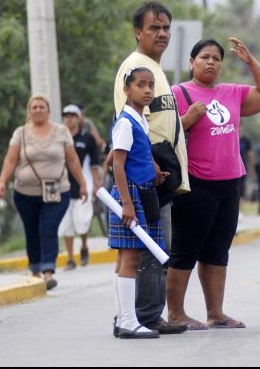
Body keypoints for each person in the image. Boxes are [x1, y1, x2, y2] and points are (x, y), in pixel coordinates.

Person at [167, 37, 260, 330]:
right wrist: (188, 118)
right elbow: (162, 132)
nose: (211, 62)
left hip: (229, 183)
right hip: (195, 184)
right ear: (192, 62)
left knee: (217, 250)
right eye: (204, 57)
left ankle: (216, 313)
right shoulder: (178, 92)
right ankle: (176, 313)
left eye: (216, 58)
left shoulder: (233, 93)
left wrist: (250, 61)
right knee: (185, 249)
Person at [111, 2, 189, 335]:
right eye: (154, 28)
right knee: (146, 251)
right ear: (138, 32)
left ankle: (147, 314)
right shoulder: (134, 67)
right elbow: (125, 138)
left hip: (155, 174)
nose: (162, 34)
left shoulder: (155, 70)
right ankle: (140, 316)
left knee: (156, 248)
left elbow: (152, 123)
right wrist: (135, 188)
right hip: (139, 181)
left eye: (166, 27)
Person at [0, 95, 88, 290]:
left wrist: (83, 183)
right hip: (25, 193)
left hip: (57, 191)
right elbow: (10, 161)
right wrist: (1, 183)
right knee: (32, 230)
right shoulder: (20, 133)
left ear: (48, 110)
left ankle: (48, 271)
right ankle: (35, 268)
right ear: (29, 110)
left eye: (41, 107)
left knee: (48, 227)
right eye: (34, 107)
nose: (38, 110)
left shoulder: (61, 132)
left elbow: (72, 160)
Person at [109, 67, 169, 339]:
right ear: (126, 90)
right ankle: (129, 321)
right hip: (131, 194)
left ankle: (124, 319)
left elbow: (134, 156)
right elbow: (117, 165)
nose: (147, 90)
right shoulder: (125, 122)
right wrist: (126, 203)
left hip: (142, 190)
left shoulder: (140, 120)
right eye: (140, 85)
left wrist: (153, 170)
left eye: (150, 85)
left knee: (126, 257)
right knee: (131, 257)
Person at [58, 104, 101, 270]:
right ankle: (70, 258)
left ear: (79, 118)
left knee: (82, 220)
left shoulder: (87, 138)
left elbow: (94, 164)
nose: (69, 118)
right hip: (63, 184)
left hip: (84, 181)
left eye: (72, 115)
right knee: (65, 221)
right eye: (66, 115)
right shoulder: (59, 138)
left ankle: (83, 245)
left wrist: (96, 184)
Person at [238, 135, 255, 201]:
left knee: (241, 187)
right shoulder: (228, 136)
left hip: (242, 168)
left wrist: (252, 168)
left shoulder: (245, 140)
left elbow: (250, 154)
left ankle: (241, 205)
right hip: (230, 169)